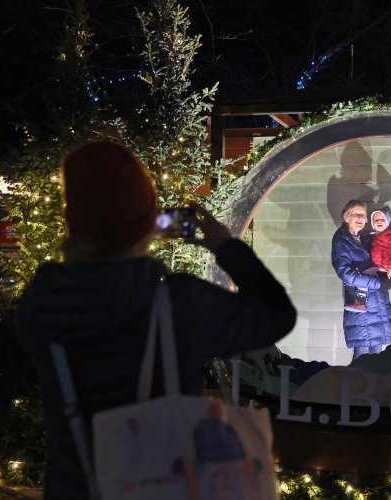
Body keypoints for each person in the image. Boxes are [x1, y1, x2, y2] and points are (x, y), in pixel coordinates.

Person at [16, 141, 296, 498]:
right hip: (167, 484)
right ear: (149, 222)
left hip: (76, 488)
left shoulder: (40, 305)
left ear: (73, 221)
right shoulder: (179, 303)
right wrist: (225, 247)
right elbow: (277, 316)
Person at [331, 199, 391, 359]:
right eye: (356, 214)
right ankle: (356, 384)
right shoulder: (341, 240)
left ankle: (376, 384)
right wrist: (379, 283)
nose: (361, 218)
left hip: (378, 302)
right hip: (360, 302)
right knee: (361, 355)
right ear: (346, 216)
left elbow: (384, 259)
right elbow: (346, 274)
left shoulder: (369, 237)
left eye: (363, 214)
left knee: (377, 355)